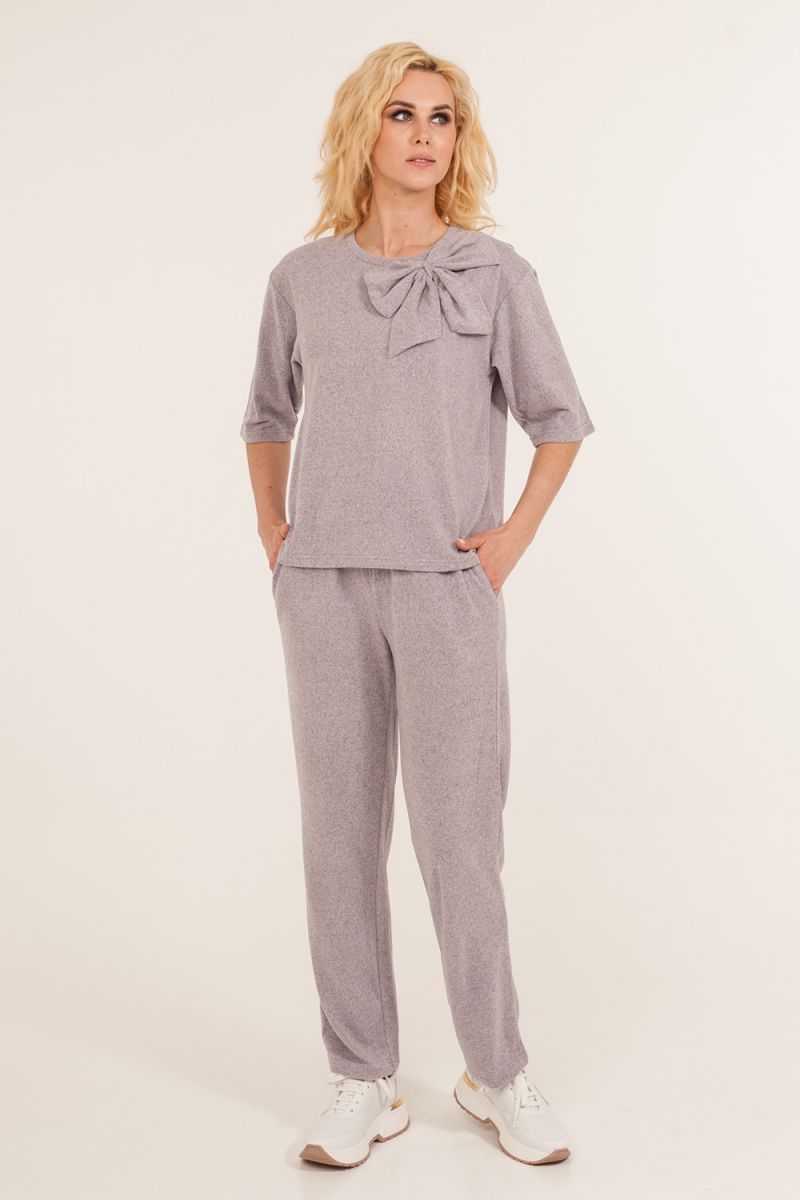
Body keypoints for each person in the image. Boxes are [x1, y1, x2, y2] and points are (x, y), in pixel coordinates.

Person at [240, 42, 595, 1169]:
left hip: (447, 588)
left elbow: (559, 421)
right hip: (322, 589)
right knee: (338, 836)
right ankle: (363, 1075)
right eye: (402, 114)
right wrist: (274, 531)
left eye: (442, 117)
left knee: (458, 840)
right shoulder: (301, 279)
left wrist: (506, 545)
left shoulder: (495, 275)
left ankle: (495, 1070)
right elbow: (265, 416)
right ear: (365, 129)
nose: (424, 134)